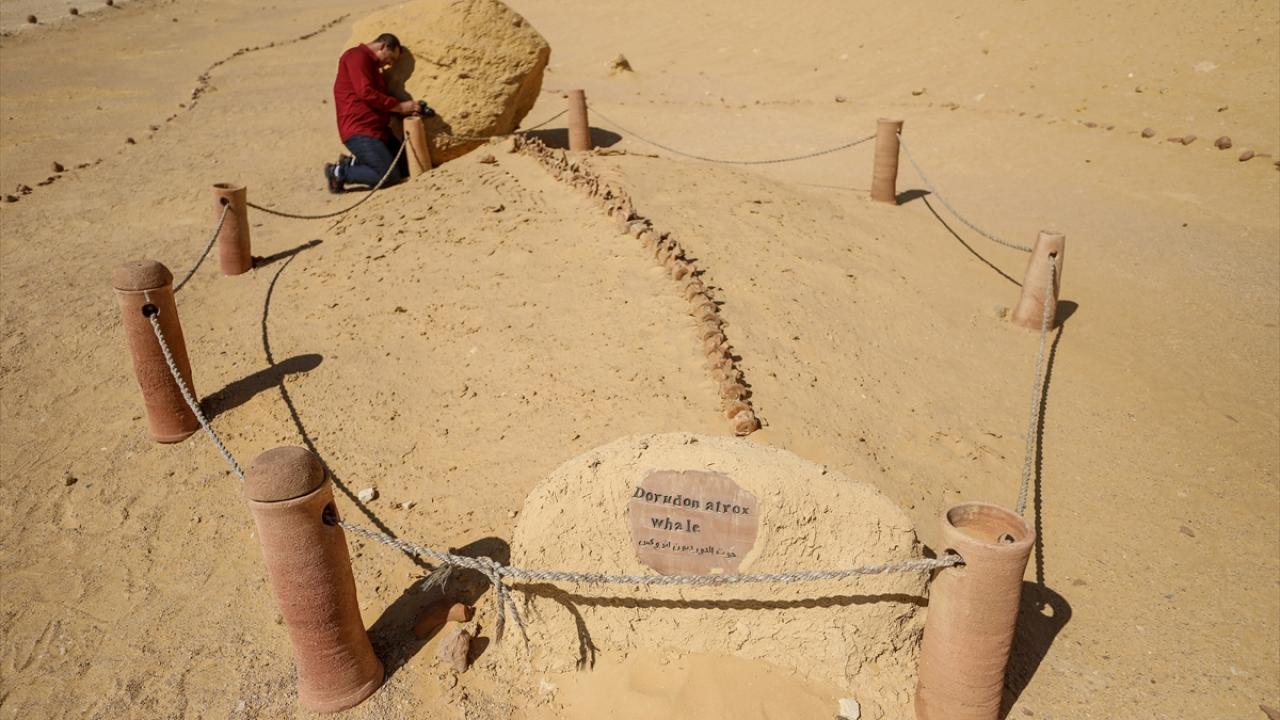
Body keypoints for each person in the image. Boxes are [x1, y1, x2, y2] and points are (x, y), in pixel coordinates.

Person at [325, 33, 421, 193]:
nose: (390, 64)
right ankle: (338, 172)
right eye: (391, 58)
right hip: (360, 130)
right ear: (383, 46)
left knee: (405, 167)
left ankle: (353, 164)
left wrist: (408, 111)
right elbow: (366, 92)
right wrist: (400, 107)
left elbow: (380, 100)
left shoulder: (374, 68)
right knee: (388, 177)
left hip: (379, 131)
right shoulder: (356, 56)